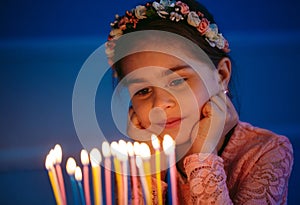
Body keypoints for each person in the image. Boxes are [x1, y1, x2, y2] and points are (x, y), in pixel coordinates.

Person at [105, 0, 294, 204]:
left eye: (177, 81)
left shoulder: (266, 151)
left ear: (221, 75)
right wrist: (148, 168)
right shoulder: (135, 160)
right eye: (143, 90)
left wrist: (203, 156)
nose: (159, 103)